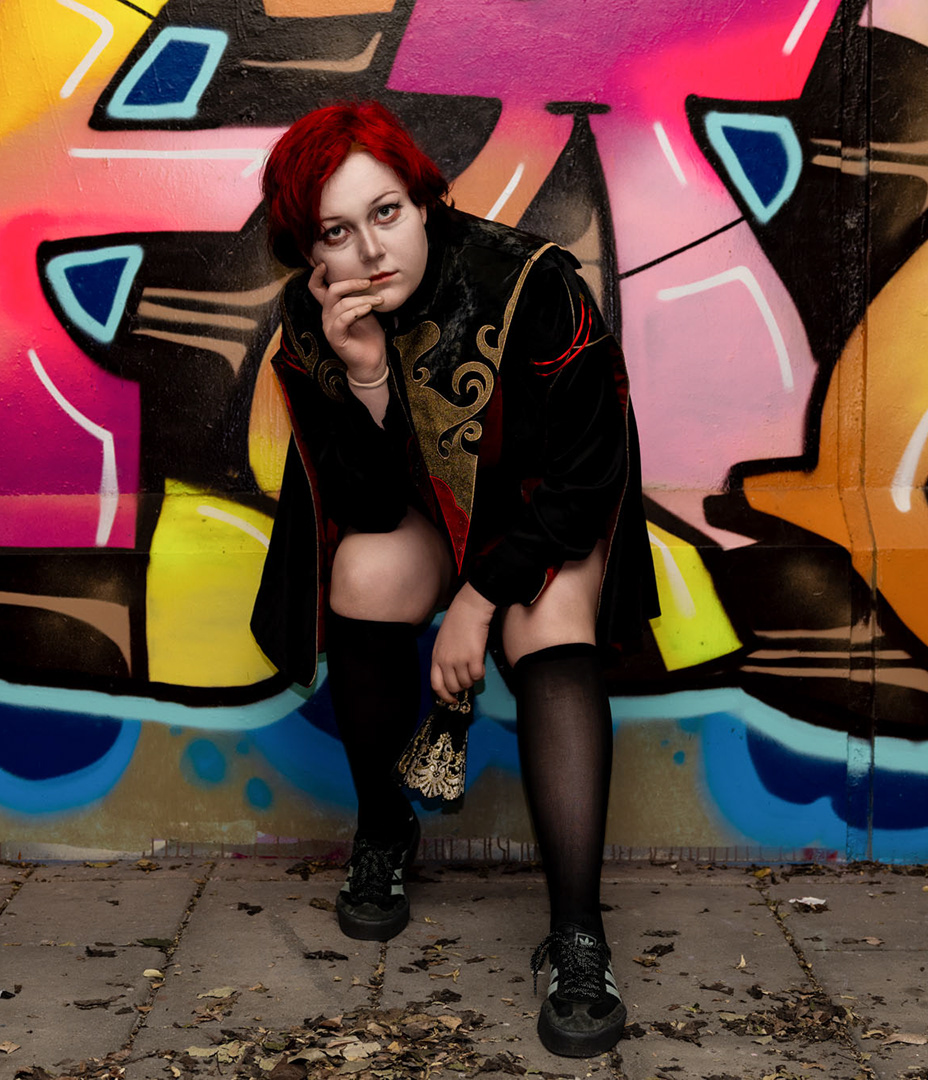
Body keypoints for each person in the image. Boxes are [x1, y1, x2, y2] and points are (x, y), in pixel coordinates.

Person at [250, 101, 656, 1058]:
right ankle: (386, 835)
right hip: (430, 522)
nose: (370, 251)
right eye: (337, 233)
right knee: (364, 570)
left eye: (386, 212)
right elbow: (368, 502)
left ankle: (577, 938)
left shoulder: (533, 285)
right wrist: (363, 375)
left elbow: (587, 479)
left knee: (545, 625)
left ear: (425, 201)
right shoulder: (315, 324)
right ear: (311, 252)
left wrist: (478, 602)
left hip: (543, 519)